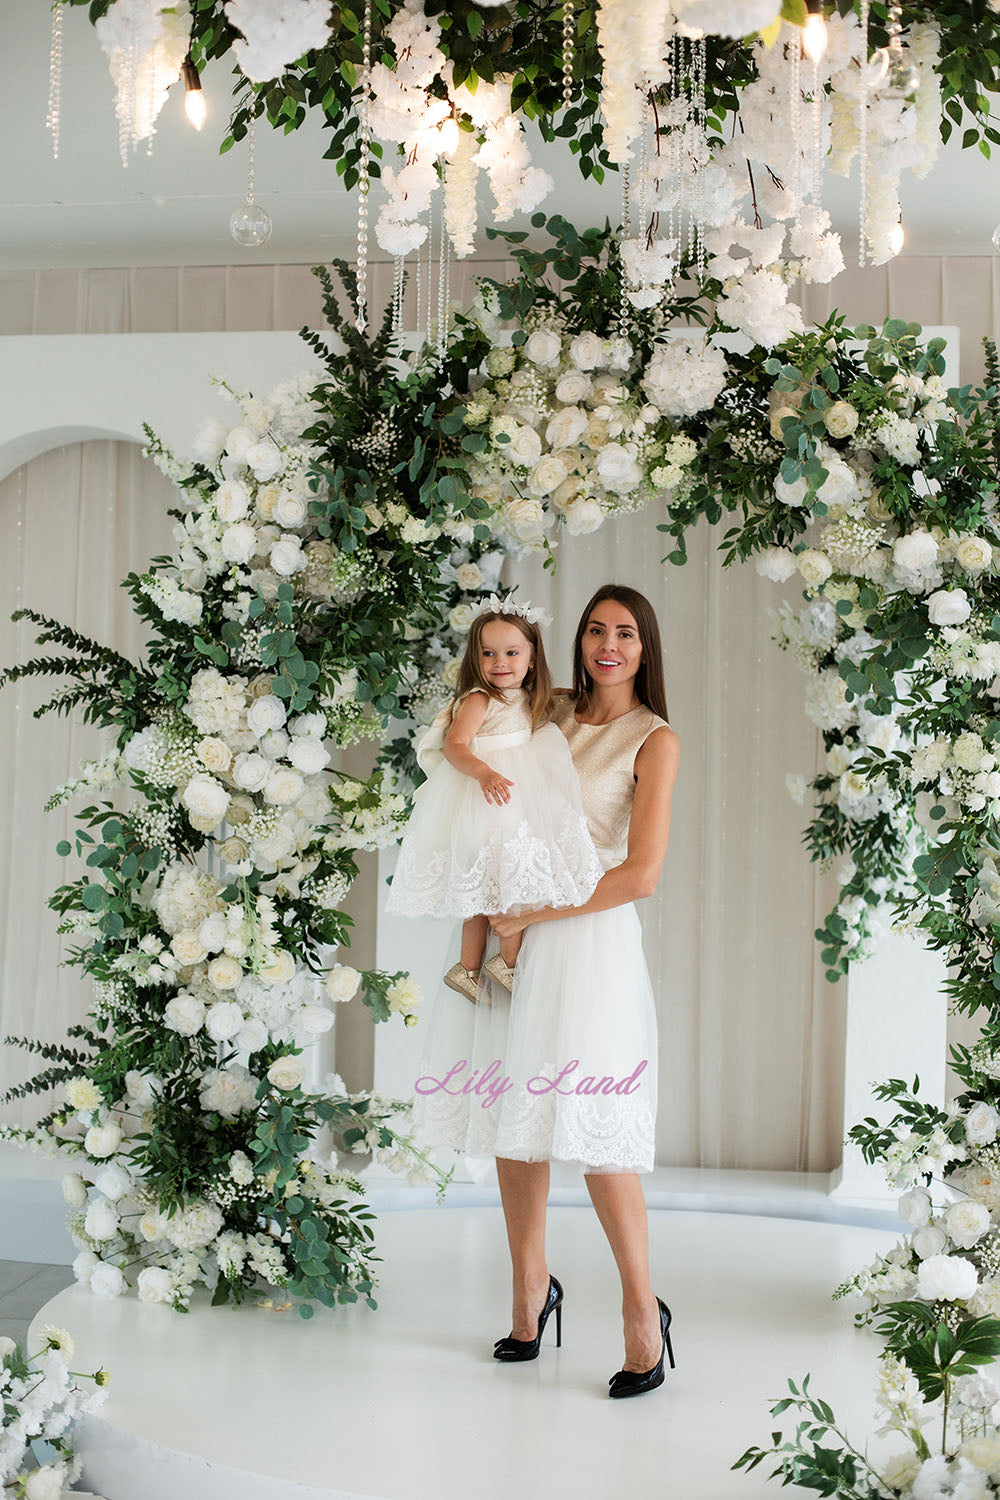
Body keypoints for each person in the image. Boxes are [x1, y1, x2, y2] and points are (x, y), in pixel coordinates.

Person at [410, 583, 679, 1399]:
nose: (608, 644)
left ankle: (642, 1309)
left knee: (596, 1128)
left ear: (645, 647)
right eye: (596, 629)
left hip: (585, 935)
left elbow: (642, 873)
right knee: (512, 1120)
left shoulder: (654, 738)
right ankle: (531, 1290)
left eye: (626, 633)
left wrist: (538, 910)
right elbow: (472, 745)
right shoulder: (545, 708)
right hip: (510, 934)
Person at [386, 592, 603, 1002]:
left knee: (504, 885)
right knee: (493, 889)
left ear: (532, 658)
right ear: (476, 658)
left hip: (515, 802)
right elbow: (455, 745)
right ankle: (486, 967)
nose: (499, 663)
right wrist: (484, 772)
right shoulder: (479, 698)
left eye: (511, 653)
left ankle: (487, 965)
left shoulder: (526, 697)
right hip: (487, 802)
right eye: (488, 653)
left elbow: (551, 703)